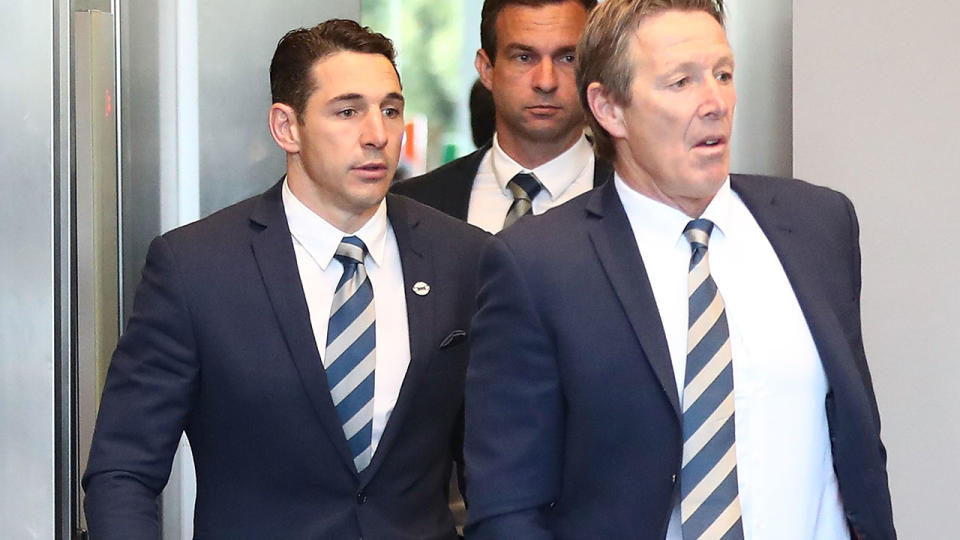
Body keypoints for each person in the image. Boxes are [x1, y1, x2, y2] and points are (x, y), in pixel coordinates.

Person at [464, 1, 896, 538]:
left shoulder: (818, 226)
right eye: (680, 82)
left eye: (723, 74)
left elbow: (859, 445)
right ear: (608, 108)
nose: (715, 101)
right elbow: (507, 505)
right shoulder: (537, 265)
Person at [82, 19, 488, 539]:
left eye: (390, 109)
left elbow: (495, 465)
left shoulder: (463, 256)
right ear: (286, 127)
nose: (378, 135)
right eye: (347, 111)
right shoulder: (195, 268)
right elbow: (123, 469)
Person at [392, 0, 612, 233]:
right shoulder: (413, 205)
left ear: (593, 68)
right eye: (524, 58)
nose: (546, 82)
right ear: (487, 69)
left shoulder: (640, 198)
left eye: (568, 58)